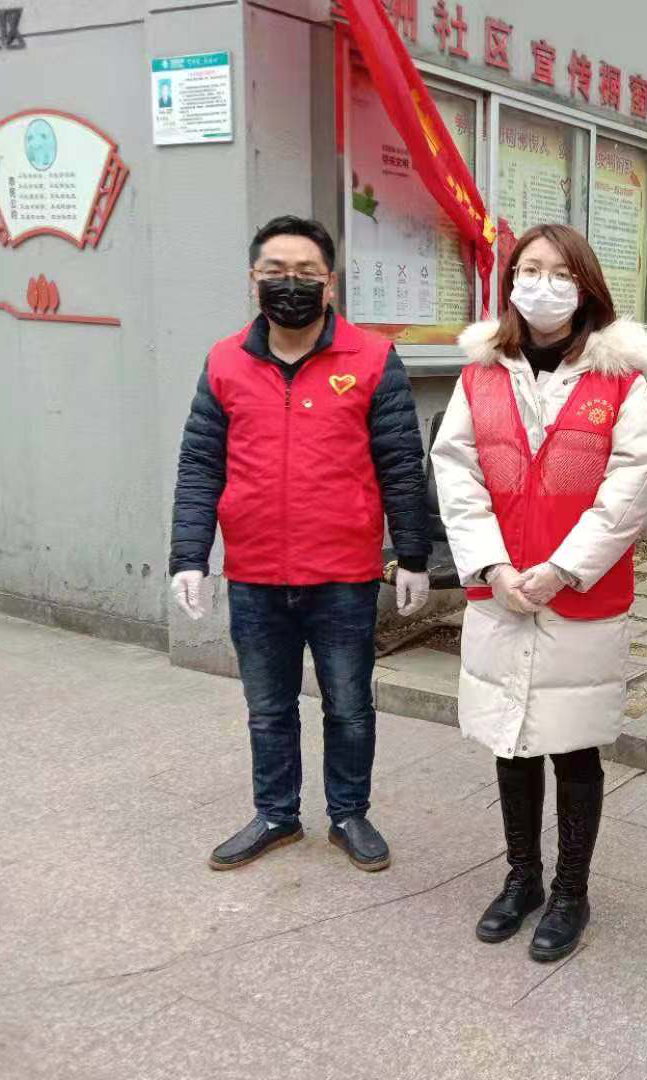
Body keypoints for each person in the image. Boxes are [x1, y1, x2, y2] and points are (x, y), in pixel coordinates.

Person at [169, 215, 431, 874]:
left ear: (330, 283)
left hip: (342, 575)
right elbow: (201, 463)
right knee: (267, 709)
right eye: (276, 272)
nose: (292, 284)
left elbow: (401, 463)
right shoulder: (225, 361)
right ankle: (276, 814)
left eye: (306, 273)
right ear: (253, 281)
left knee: (349, 706)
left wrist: (413, 555)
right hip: (256, 574)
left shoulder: (371, 358)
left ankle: (349, 813)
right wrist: (189, 556)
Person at [431, 223, 647, 963]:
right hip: (500, 592)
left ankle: (570, 891)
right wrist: (491, 566)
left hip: (580, 596)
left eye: (560, 272)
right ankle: (522, 877)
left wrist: (562, 568)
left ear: (585, 287)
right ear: (511, 283)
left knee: (575, 748)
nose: (543, 284)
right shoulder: (480, 374)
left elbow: (628, 488)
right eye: (529, 269)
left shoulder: (619, 379)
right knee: (511, 740)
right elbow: (457, 471)